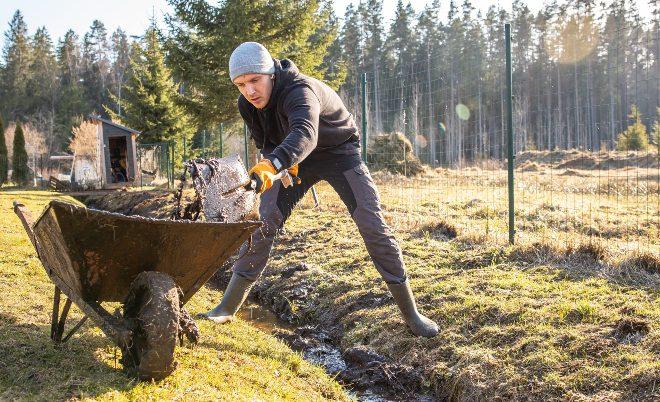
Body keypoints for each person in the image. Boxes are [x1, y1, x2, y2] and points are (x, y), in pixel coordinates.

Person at [204, 42, 438, 337]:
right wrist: (276, 165)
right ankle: (226, 307)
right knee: (263, 222)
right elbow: (267, 142)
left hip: (338, 151)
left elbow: (305, 133)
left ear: (271, 74)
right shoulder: (247, 105)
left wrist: (275, 163)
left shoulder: (299, 91)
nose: (249, 91)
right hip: (291, 157)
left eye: (254, 80)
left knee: (372, 224)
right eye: (240, 84)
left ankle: (412, 315)